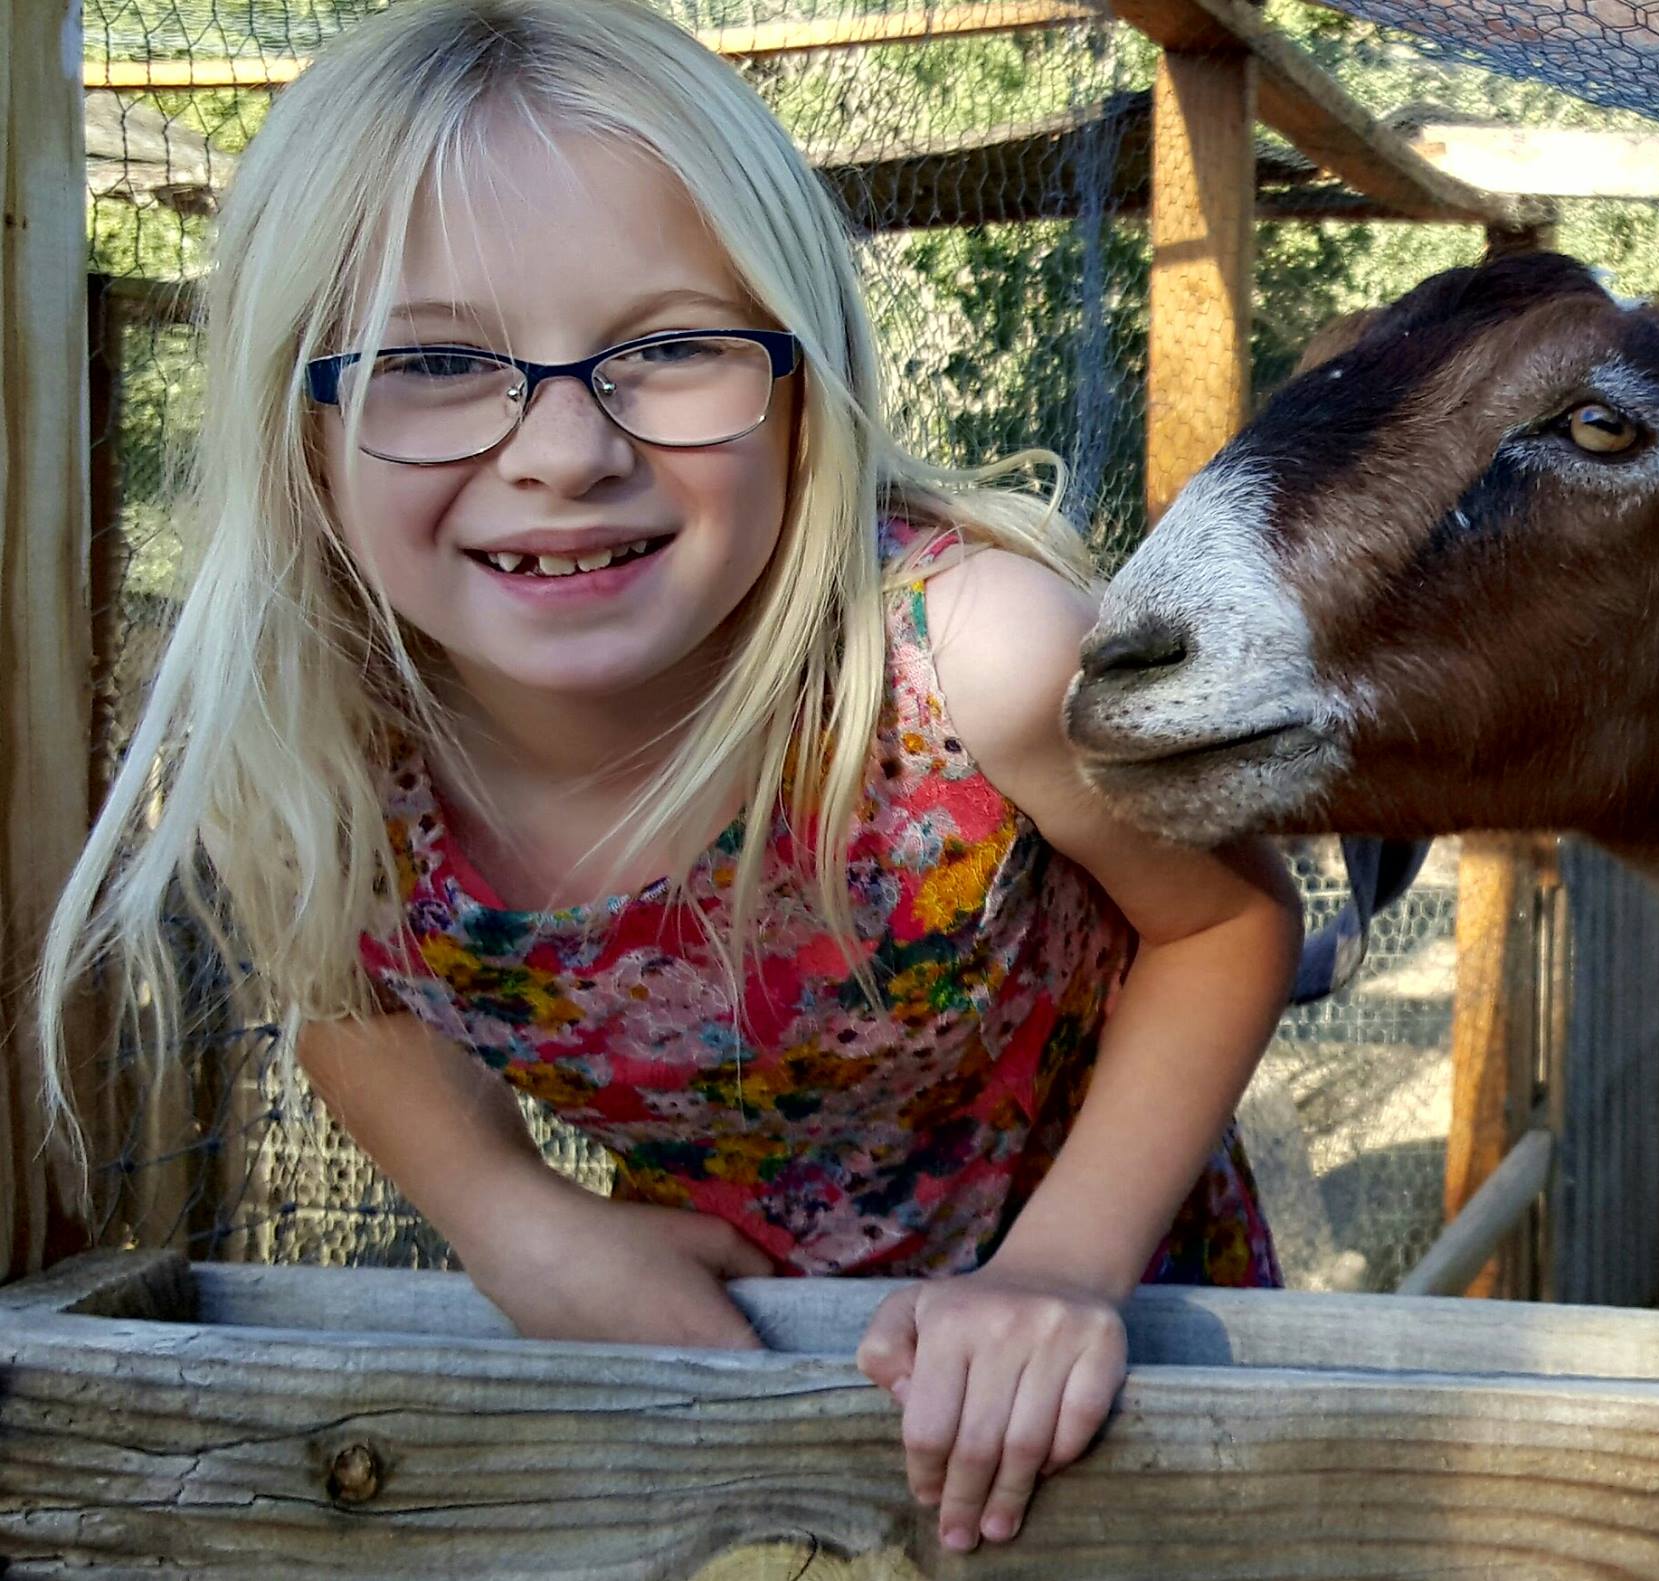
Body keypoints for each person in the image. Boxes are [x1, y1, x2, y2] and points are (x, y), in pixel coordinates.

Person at [41, 0, 1300, 1551]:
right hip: (722, 1379)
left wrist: (1059, 1270)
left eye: (672, 348)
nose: (565, 451)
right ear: (299, 428)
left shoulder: (973, 666)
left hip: (1120, 1347)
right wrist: (522, 1229)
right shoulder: (317, 750)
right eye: (436, 360)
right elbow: (340, 990)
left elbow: (1225, 920)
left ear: (797, 384)